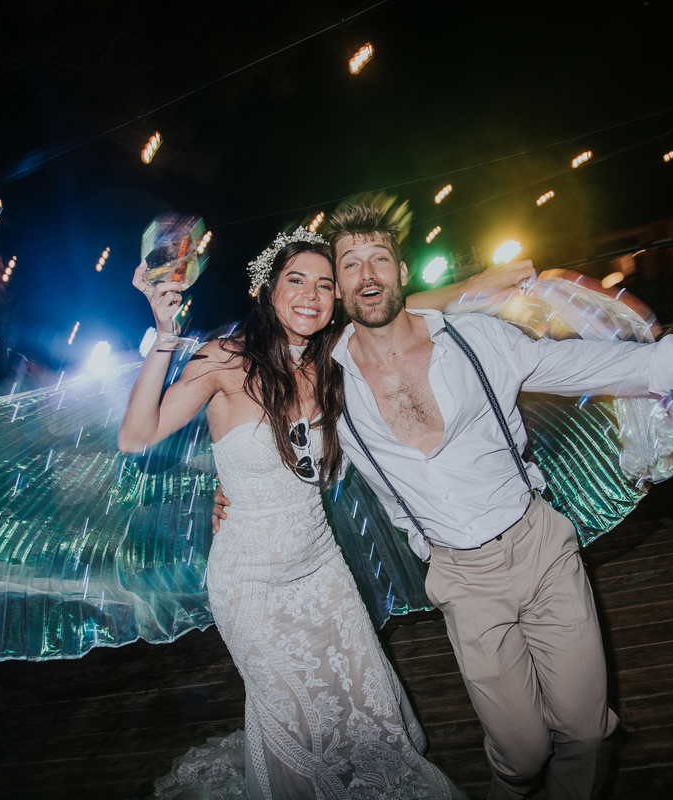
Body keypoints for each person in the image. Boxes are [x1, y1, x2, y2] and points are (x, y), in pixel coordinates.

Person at [217, 202, 673, 800]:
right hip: (461, 578)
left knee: (586, 732)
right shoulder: (326, 379)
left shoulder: (478, 339)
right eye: (351, 264)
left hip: (540, 549)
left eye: (379, 259)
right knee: (521, 754)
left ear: (402, 271)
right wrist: (231, 485)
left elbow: (596, 364)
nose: (367, 274)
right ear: (338, 287)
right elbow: (264, 426)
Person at [118, 229, 493, 798]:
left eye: (324, 284)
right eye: (296, 280)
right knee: (298, 722)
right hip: (251, 583)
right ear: (268, 289)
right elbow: (135, 436)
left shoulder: (336, 359)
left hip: (323, 569)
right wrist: (165, 337)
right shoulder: (223, 360)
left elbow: (412, 312)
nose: (311, 295)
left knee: (362, 708)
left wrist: (495, 285)